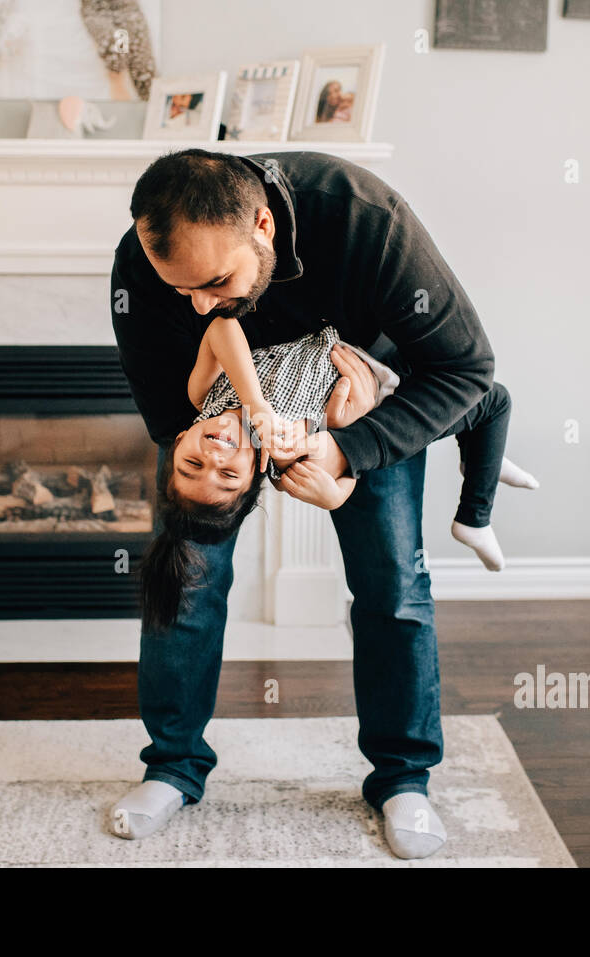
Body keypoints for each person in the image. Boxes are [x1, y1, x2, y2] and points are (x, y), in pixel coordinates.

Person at [109, 148, 499, 860]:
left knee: (393, 583)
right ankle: (171, 763)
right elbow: (172, 415)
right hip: (226, 410)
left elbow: (467, 367)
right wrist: (217, 452)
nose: (199, 303)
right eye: (183, 290)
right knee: (185, 571)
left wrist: (348, 450)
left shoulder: (363, 218)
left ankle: (402, 776)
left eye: (216, 281)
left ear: (263, 224)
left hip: (364, 399)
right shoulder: (146, 265)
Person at [139, 317, 536, 632]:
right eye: (227, 475)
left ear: (180, 439)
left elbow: (222, 329)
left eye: (192, 463)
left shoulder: (203, 394)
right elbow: (347, 474)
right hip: (385, 389)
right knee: (494, 401)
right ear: (253, 476)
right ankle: (474, 518)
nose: (213, 456)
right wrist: (332, 496)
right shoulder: (285, 454)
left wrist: (254, 403)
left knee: (482, 403)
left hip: (356, 339)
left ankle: (482, 460)